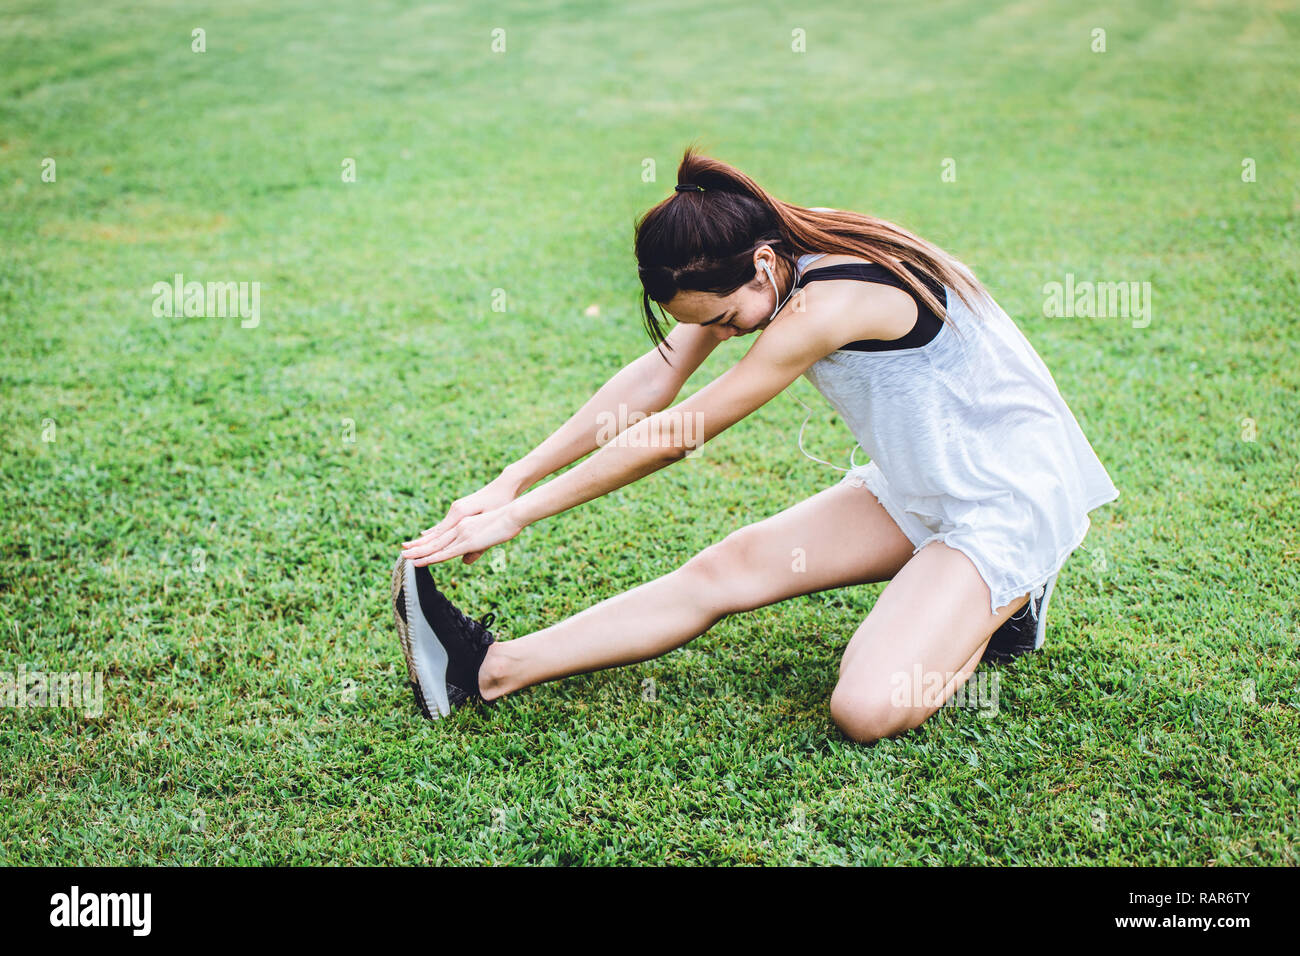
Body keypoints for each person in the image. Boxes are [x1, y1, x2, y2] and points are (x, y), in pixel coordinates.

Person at [393, 145, 1119, 742]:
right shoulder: (753, 255)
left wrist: (527, 514)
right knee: (724, 569)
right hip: (920, 481)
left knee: (864, 708)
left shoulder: (823, 302)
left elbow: (681, 432)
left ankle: (1011, 597)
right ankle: (484, 669)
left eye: (729, 322)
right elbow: (657, 379)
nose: (727, 332)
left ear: (766, 268)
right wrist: (511, 481)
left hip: (1005, 500)